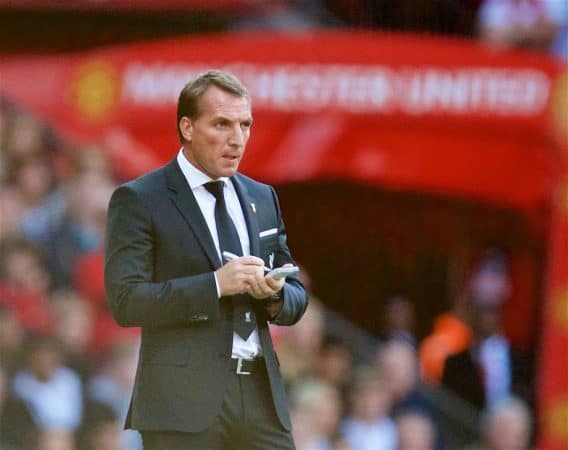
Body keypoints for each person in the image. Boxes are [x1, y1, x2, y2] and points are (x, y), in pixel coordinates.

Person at [105, 69, 308, 450]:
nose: (238, 139)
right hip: (181, 403)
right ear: (187, 127)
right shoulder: (140, 198)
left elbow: (295, 295)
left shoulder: (263, 197)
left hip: (261, 398)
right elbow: (125, 301)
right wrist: (215, 285)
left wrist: (275, 295)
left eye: (245, 124)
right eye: (222, 124)